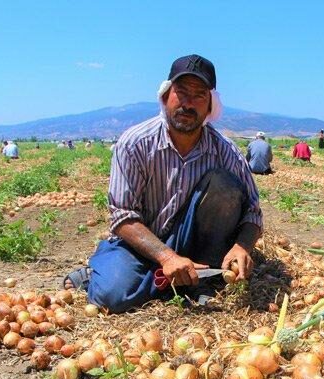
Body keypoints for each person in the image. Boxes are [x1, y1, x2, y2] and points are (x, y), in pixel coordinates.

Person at [63, 54, 262, 313]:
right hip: (143, 244)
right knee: (113, 296)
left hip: (198, 244)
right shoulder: (135, 143)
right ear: (166, 95)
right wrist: (167, 257)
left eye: (199, 95)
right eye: (181, 92)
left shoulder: (225, 151)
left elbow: (253, 212)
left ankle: (195, 275)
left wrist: (241, 246)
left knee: (223, 184)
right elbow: (122, 216)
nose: (188, 104)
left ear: (210, 105)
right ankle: (106, 275)